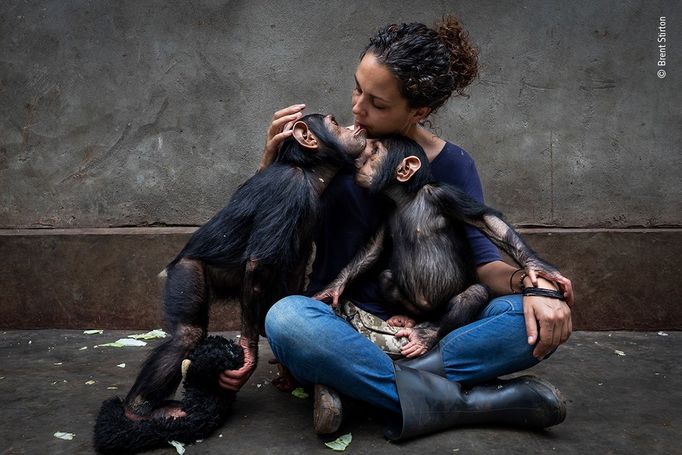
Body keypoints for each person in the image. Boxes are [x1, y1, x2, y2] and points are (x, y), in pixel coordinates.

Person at [220, 15, 574, 440]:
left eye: (378, 104)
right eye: (357, 88)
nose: (357, 108)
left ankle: (359, 388)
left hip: (429, 333)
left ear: (419, 110)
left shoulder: (452, 165)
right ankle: (462, 401)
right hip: (340, 328)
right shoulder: (329, 150)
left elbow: (484, 267)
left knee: (524, 320)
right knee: (287, 319)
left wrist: (536, 288)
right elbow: (263, 247)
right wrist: (270, 169)